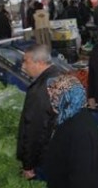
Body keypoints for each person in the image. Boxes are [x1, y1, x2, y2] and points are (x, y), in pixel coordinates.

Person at [44, 74, 98, 188]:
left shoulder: (79, 128)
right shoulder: (71, 116)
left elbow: (82, 174)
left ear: (68, 97)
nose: (51, 98)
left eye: (55, 95)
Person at [17, 45, 61, 180]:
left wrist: (28, 164)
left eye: (26, 61)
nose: (23, 66)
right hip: (60, 151)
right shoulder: (58, 75)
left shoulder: (40, 92)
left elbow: (34, 130)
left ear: (40, 62)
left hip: (45, 157)